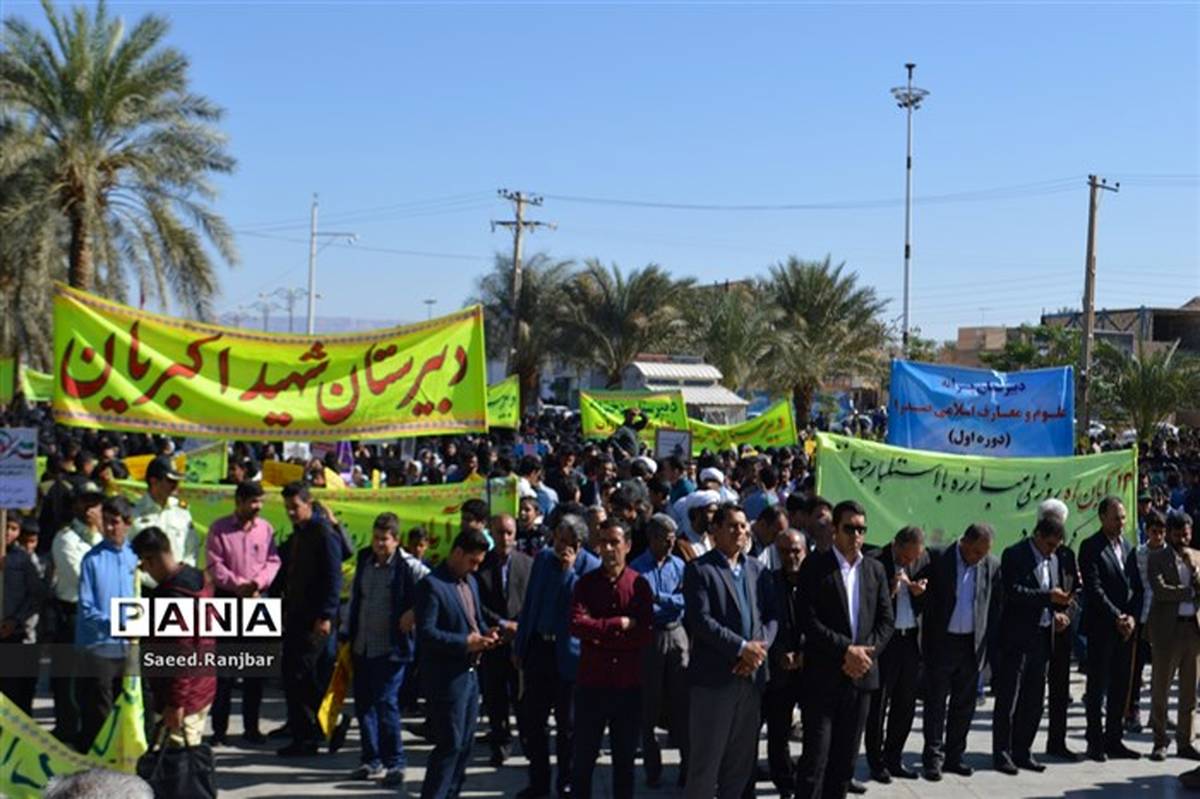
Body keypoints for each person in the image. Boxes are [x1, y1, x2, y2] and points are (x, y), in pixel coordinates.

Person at [798, 500, 894, 799]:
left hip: (860, 679)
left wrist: (865, 654)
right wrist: (846, 651)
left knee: (845, 763)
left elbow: (886, 621)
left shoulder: (875, 570)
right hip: (824, 677)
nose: (856, 535)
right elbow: (808, 619)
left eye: (861, 529)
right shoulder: (815, 566)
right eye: (850, 528)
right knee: (816, 760)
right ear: (835, 530)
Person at [682, 503, 778, 799]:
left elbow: (772, 616)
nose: (740, 531)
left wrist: (758, 651)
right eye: (732, 526)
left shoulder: (757, 570)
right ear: (715, 531)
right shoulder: (700, 570)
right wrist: (740, 649)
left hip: (751, 680)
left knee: (739, 765)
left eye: (743, 525)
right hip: (715, 680)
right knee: (705, 765)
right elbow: (700, 620)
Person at [512, 514, 601, 799]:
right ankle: (538, 782)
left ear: (579, 544)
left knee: (568, 728)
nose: (561, 546)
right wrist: (521, 646)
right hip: (539, 649)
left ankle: (566, 782)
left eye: (568, 542)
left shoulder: (590, 568)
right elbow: (530, 605)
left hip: (570, 657)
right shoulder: (542, 560)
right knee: (533, 723)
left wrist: (568, 572)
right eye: (558, 539)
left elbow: (583, 609)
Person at [569, 518, 653, 799]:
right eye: (602, 542)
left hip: (628, 686)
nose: (607, 549)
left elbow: (643, 632)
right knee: (582, 759)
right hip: (592, 683)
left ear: (627, 546)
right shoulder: (585, 584)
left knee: (624, 763)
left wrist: (599, 632)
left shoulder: (638, 585)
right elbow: (578, 624)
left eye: (614, 542)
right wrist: (617, 624)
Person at [416, 528, 499, 799]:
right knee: (449, 744)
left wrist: (488, 633)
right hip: (446, 678)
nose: (475, 568)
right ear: (457, 552)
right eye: (472, 561)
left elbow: (476, 619)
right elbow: (427, 634)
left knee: (465, 744)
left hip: (471, 675)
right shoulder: (432, 585)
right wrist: (466, 642)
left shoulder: (469, 583)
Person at [916, 522, 1001, 781]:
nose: (979, 558)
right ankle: (933, 757)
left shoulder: (991, 565)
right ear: (964, 541)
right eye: (976, 552)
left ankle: (955, 756)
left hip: (972, 645)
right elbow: (923, 597)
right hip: (942, 642)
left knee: (964, 705)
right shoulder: (938, 557)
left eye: (984, 553)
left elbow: (994, 606)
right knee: (935, 703)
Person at [991, 516, 1074, 775]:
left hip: (1043, 636)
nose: (1051, 550)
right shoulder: (1014, 554)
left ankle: (1023, 750)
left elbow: (1058, 595)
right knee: (1009, 699)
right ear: (1037, 535)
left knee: (1034, 699)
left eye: (1055, 546)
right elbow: (1013, 592)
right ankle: (1002, 752)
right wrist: (1046, 598)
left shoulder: (1056, 558)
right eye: (1049, 544)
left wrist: (1060, 613)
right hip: (1016, 637)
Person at [343, 512, 417, 789]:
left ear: (396, 540)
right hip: (362, 645)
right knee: (364, 706)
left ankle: (395, 763)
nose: (378, 544)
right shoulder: (364, 560)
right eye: (375, 538)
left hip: (391, 649)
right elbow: (356, 599)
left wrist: (413, 612)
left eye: (384, 539)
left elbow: (432, 589)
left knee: (387, 704)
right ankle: (370, 759)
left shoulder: (408, 567)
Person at [206, 480, 280, 745]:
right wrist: (239, 586)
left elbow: (273, 562)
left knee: (254, 672)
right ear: (238, 501)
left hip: (259, 602)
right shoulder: (219, 529)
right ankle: (219, 731)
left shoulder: (266, 529)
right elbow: (214, 565)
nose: (257, 507)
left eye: (260, 501)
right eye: (253, 502)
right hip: (228, 601)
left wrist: (258, 584)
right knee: (224, 673)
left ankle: (251, 728)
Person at [130, 526, 217, 747]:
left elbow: (182, 654)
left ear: (151, 559)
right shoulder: (197, 578)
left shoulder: (174, 597)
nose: (145, 572)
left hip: (183, 697)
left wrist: (176, 703)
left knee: (176, 767)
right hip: (201, 686)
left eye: (143, 565)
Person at [277, 481, 344, 757]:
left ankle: (311, 735)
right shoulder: (299, 534)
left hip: (315, 618)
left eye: (295, 507)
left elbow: (333, 577)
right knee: (296, 675)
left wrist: (326, 615)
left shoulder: (323, 533)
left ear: (309, 503)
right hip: (295, 615)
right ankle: (322, 725)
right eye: (287, 508)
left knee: (301, 674)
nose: (291, 513)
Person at [630, 513, 690, 789]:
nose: (671, 544)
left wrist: (660, 597)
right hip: (650, 637)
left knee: (682, 704)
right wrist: (665, 601)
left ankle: (687, 767)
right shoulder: (638, 568)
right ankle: (652, 769)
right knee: (649, 706)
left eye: (673, 539)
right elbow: (643, 605)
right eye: (666, 540)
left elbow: (684, 601)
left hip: (677, 634)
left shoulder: (679, 564)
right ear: (653, 538)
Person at [864, 525, 929, 783]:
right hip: (885, 644)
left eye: (913, 558)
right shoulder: (874, 561)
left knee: (905, 704)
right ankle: (876, 760)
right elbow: (866, 606)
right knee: (879, 705)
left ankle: (894, 757)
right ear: (896, 545)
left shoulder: (920, 561)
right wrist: (889, 591)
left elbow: (929, 602)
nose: (908, 562)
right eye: (905, 557)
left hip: (910, 639)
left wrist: (919, 594)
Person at [75, 496, 139, 752]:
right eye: (107, 522)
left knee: (127, 707)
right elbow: (87, 609)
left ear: (127, 523)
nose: (110, 528)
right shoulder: (91, 560)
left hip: (129, 647)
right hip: (100, 646)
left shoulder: (135, 557)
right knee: (100, 710)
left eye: (115, 522)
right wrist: (115, 624)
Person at [1079, 496, 1140, 761]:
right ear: (1102, 517)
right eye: (1116, 518)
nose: (1121, 523)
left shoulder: (1128, 547)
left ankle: (1114, 739)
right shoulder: (1091, 546)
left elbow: (1136, 587)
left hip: (1126, 630)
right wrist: (1117, 616)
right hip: (1102, 627)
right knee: (1097, 687)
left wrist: (1132, 618)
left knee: (1120, 685)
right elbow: (1094, 589)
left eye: (1123, 518)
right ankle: (1095, 741)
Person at [48, 480, 105, 744]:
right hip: (74, 613)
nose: (92, 508)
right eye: (86, 502)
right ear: (75, 504)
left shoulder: (105, 536)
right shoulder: (65, 538)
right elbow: (85, 578)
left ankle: (89, 731)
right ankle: (68, 729)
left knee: (93, 681)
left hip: (100, 616)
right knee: (68, 681)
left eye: (96, 502)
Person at [476, 513, 533, 766]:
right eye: (499, 533)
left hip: (520, 641)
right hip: (494, 639)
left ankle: (529, 742)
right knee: (495, 695)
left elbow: (532, 600)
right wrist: (501, 624)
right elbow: (477, 604)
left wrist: (520, 625)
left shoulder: (527, 564)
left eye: (509, 533)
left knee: (523, 697)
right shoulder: (481, 566)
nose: (505, 538)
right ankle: (500, 743)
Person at [1147, 511, 1200, 761]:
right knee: (1161, 689)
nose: (1182, 539)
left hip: (1193, 630)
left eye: (1186, 534)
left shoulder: (1198, 557)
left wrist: (1194, 569)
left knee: (1189, 692)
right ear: (1169, 534)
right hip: (1168, 631)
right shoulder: (1157, 557)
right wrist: (1187, 592)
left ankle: (1185, 741)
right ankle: (1160, 741)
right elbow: (1160, 591)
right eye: (1178, 534)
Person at [763, 529, 807, 798]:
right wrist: (779, 653)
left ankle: (806, 777)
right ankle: (783, 781)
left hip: (810, 667)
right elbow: (764, 622)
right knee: (778, 731)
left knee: (815, 730)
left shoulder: (816, 583)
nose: (791, 556)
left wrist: (803, 654)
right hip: (779, 669)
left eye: (796, 551)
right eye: (784, 551)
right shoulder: (768, 583)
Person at [1126, 508, 1169, 736]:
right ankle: (1132, 712)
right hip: (1142, 616)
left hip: (1165, 619)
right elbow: (1132, 584)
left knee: (1163, 672)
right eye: (1154, 531)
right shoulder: (1137, 553)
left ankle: (1159, 714)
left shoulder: (1171, 553)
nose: (1158, 536)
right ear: (1147, 531)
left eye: (1162, 532)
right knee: (1136, 669)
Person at [0, 514, 45, 714]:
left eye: (13, 528)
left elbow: (35, 595)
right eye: (5, 526)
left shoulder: (23, 560)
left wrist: (15, 620)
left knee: (15, 693)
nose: (8, 532)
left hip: (14, 633)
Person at [131, 455, 200, 575]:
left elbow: (192, 549)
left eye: (177, 480)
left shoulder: (182, 511)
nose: (176, 485)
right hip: (147, 585)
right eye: (171, 480)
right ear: (154, 481)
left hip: (179, 584)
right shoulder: (135, 514)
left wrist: (183, 574)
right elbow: (129, 555)